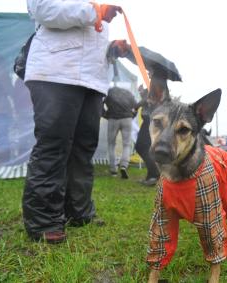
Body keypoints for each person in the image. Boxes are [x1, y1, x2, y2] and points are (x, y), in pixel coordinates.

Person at [22, 0, 129, 243]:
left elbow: (88, 40)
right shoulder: (92, 6)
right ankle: (43, 221)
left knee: (83, 149)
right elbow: (42, 9)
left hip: (91, 80)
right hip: (55, 72)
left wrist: (112, 49)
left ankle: (78, 212)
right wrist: (95, 11)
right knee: (54, 146)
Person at [134, 68, 171, 186]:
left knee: (141, 146)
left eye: (150, 70)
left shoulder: (158, 81)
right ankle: (151, 175)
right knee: (146, 147)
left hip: (153, 120)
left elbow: (151, 100)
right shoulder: (157, 82)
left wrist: (138, 104)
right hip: (152, 119)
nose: (148, 72)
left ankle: (155, 175)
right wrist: (142, 92)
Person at [103, 86, 137, 179]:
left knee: (111, 144)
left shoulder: (109, 92)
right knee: (126, 145)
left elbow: (100, 103)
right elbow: (136, 106)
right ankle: (123, 165)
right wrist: (132, 115)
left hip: (113, 119)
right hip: (127, 119)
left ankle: (113, 170)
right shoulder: (128, 93)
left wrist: (105, 114)